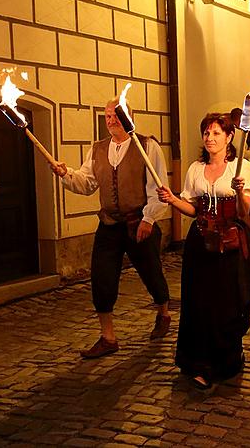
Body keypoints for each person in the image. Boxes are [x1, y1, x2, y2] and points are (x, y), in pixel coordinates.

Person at [51, 98, 172, 358]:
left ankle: (163, 312)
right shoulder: (97, 149)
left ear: (130, 116)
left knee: (152, 274)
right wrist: (65, 174)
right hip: (108, 224)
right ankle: (108, 337)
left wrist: (149, 219)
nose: (111, 120)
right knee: (102, 278)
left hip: (138, 222)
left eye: (116, 115)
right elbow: (87, 183)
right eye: (107, 115)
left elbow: (157, 187)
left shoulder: (147, 146)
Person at [157, 112, 250, 390]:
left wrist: (241, 192)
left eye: (216, 133)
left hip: (229, 244)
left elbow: (244, 213)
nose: (210, 138)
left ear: (229, 138)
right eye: (206, 133)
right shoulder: (195, 169)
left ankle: (228, 359)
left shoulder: (242, 169)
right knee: (199, 304)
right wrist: (172, 200)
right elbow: (192, 209)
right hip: (200, 245)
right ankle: (200, 363)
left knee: (228, 304)